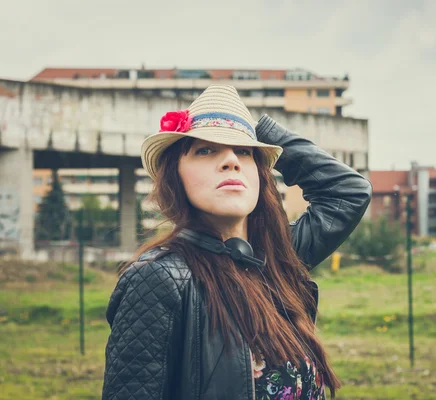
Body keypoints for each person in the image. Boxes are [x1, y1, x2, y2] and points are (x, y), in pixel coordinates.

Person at [101, 85, 372, 400]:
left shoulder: (279, 259)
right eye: (206, 150)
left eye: (244, 151)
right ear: (176, 176)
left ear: (260, 176)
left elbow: (349, 193)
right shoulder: (158, 280)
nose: (231, 160)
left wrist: (261, 132)